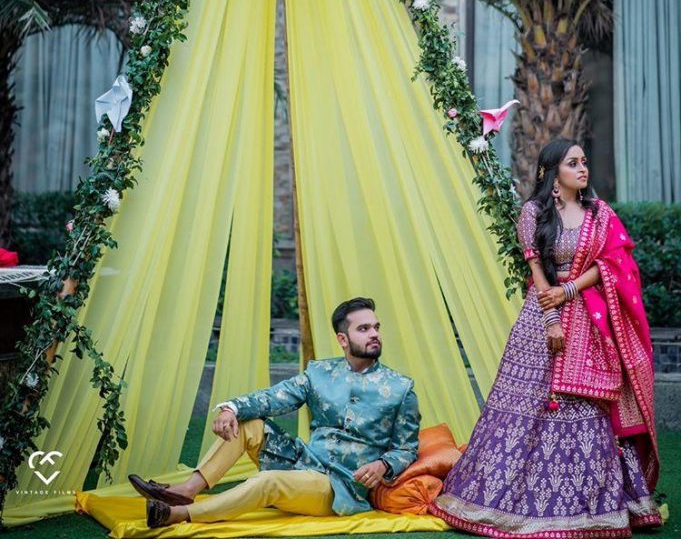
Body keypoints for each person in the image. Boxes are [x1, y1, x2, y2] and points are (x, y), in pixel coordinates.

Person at [430, 136, 661, 539]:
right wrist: (552, 319)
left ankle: (595, 509)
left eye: (584, 162)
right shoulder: (533, 213)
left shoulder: (599, 213)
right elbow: (538, 274)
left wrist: (571, 291)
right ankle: (509, 502)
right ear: (551, 172)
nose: (583, 168)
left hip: (589, 320)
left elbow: (613, 262)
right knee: (526, 406)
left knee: (588, 409)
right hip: (541, 320)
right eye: (573, 163)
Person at [128, 297, 420, 528]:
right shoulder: (319, 372)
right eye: (364, 329)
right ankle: (189, 489)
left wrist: (383, 464)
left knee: (269, 481)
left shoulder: (401, 388)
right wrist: (231, 408)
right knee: (248, 423)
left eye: (376, 327)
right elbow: (274, 397)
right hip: (302, 461)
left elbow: (407, 448)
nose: (374, 335)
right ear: (343, 339)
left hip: (338, 488)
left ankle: (179, 513)